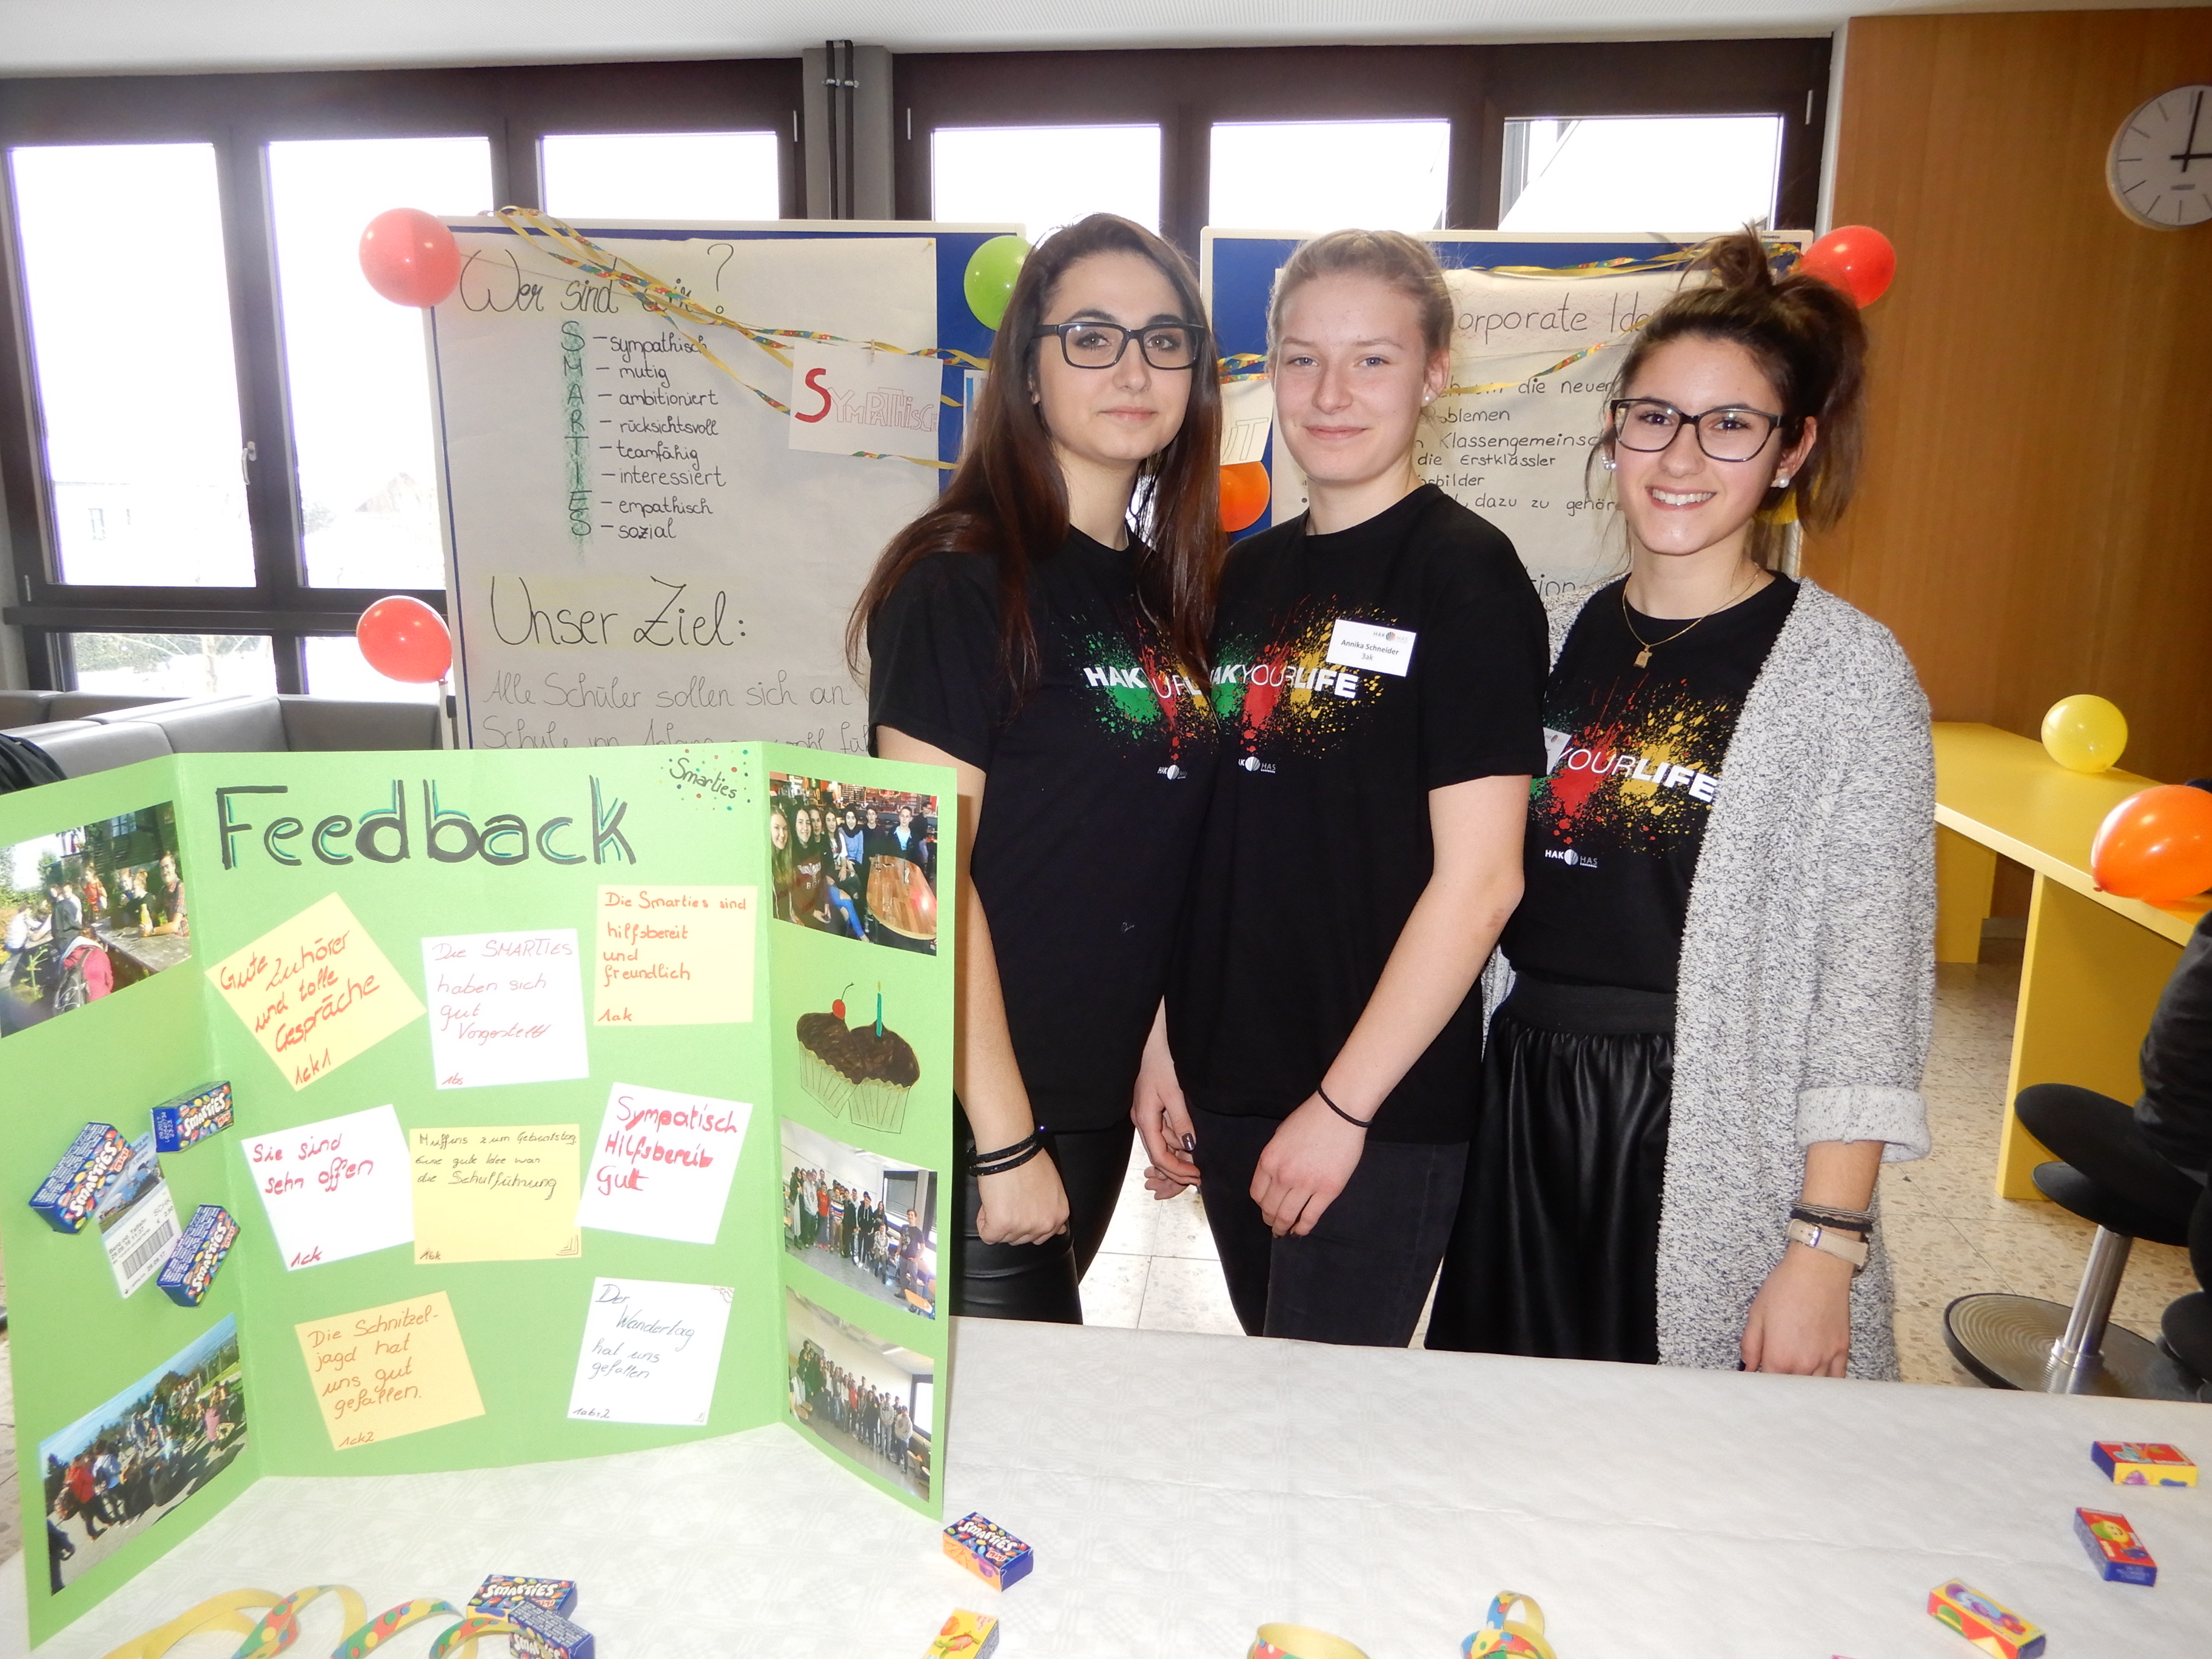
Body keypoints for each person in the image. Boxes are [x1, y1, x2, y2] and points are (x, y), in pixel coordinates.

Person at [1422, 229, 1933, 1378]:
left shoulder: (1848, 676)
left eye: (1731, 424)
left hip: (1711, 1126)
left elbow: (1870, 988)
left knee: (1698, 1461)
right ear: (1614, 432)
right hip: (1526, 1107)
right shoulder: (1553, 632)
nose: (1681, 456)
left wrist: (1824, 1247)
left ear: (1792, 450)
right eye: (1654, 417)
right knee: (1510, 1436)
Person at [1145, 229, 1545, 1347]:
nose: (1331, 394)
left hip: (1376, 1108)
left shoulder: (1466, 579)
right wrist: (1160, 1044)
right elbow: (1204, 841)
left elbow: (1483, 883)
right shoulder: (1241, 578)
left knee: (1319, 1420)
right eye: (1303, 358)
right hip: (1224, 1080)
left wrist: (1340, 1107)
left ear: (1435, 372)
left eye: (1373, 359)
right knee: (1274, 1378)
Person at [854, 212, 1224, 1322]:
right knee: (972, 1423)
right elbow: (919, 878)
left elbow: (1141, 850)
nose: (1133, 369)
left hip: (1089, 1098)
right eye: (1092, 337)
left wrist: (1155, 1049)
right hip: (969, 1110)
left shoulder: (1161, 593)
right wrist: (1006, 1140)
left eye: (1165, 341)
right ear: (1028, 369)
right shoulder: (961, 578)